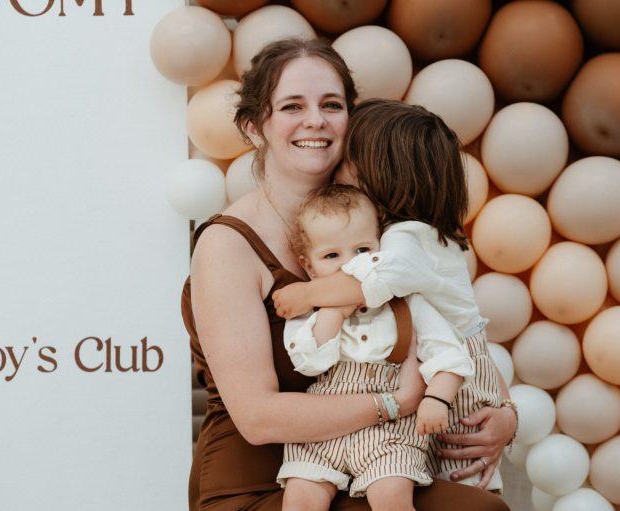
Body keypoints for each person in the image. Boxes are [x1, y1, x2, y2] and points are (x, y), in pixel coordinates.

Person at [182, 37, 514, 511]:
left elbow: (455, 324)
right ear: (255, 128)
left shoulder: (385, 222)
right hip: (267, 478)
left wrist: (505, 417)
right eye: (292, 106)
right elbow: (256, 418)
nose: (315, 120)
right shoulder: (228, 244)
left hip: (376, 462)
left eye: (331, 105)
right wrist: (396, 403)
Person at [273, 98, 515, 490]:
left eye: (348, 160)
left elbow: (375, 283)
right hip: (447, 360)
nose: (337, 168)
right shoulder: (420, 234)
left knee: (458, 472)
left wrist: (309, 293)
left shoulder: (408, 237)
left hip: (454, 379)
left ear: (378, 175)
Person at [278, 184, 476, 510]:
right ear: (309, 266)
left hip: (389, 434)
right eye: (331, 256)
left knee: (391, 497)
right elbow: (310, 362)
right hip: (326, 425)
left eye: (362, 250)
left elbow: (448, 355)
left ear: (381, 249)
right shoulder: (308, 311)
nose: (349, 265)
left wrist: (437, 398)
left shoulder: (407, 303)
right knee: (299, 500)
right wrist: (335, 310)